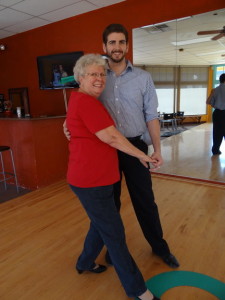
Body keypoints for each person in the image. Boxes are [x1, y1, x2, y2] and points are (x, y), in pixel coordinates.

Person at [64, 24, 179, 269]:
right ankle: (113, 251)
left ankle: (160, 248)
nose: (117, 47)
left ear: (127, 45)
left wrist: (156, 149)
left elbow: (151, 115)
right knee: (111, 204)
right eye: (112, 43)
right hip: (105, 150)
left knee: (145, 201)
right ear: (104, 46)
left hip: (135, 145)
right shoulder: (96, 75)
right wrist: (67, 123)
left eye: (121, 42)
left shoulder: (142, 78)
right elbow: (81, 101)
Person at [66, 53, 160, 300]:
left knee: (100, 224)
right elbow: (112, 137)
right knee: (115, 235)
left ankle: (85, 262)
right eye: (92, 75)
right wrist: (143, 156)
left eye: (101, 74)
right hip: (90, 181)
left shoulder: (84, 101)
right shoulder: (85, 102)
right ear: (80, 78)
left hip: (99, 178)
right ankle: (137, 290)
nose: (99, 79)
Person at [206, 73, 225, 155]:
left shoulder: (215, 90)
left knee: (217, 132)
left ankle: (215, 150)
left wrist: (211, 93)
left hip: (217, 113)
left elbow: (208, 102)